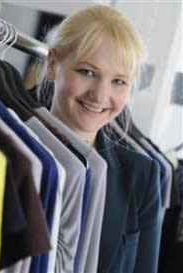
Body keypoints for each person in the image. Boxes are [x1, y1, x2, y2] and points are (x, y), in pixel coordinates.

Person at [39, 5, 162, 273]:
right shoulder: (4, 149)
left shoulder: (141, 177)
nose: (99, 95)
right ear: (52, 65)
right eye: (87, 72)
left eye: (118, 81)